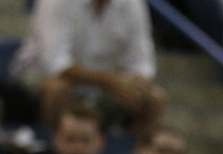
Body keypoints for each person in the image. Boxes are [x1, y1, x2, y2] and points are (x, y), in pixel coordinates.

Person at [12, 0, 165, 136]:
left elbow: (143, 63)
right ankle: (54, 152)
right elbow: (57, 65)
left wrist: (137, 84)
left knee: (154, 98)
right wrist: (112, 82)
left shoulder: (134, 3)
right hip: (40, 79)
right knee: (57, 89)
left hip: (105, 87)